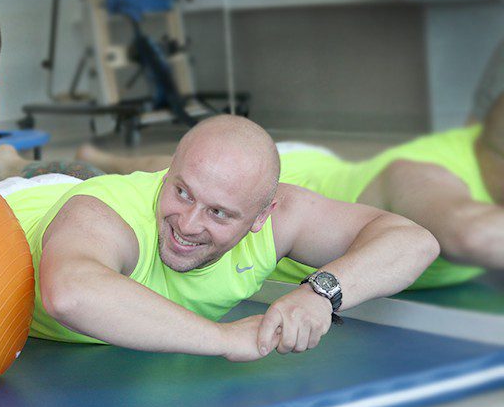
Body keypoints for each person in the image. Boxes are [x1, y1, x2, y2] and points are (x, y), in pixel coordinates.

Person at [0, 116, 437, 360]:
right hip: (14, 204)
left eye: (219, 213)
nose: (187, 224)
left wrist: (322, 292)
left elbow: (415, 242)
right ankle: (9, 162)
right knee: (52, 176)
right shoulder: (106, 213)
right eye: (181, 191)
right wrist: (223, 339)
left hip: (84, 191)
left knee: (85, 176)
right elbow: (70, 293)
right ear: (168, 173)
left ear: (263, 216)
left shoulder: (282, 214)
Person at [61, 97, 504, 289]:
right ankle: (90, 161)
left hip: (320, 170)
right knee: (169, 180)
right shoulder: (428, 173)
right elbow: (474, 236)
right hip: (293, 176)